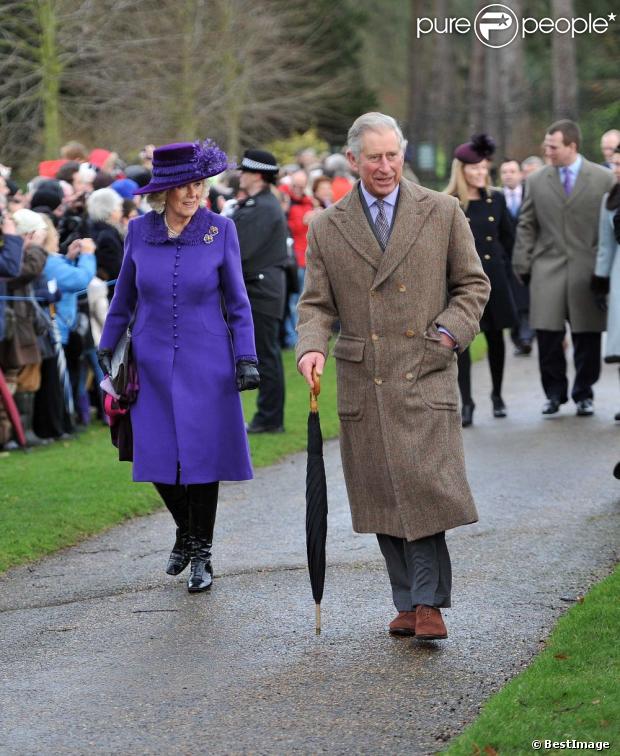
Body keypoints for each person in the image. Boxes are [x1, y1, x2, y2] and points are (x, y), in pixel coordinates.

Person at [296, 112, 490, 640]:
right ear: (353, 160)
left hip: (424, 370)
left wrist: (448, 335)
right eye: (374, 157)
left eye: (393, 155)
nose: (386, 167)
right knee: (382, 493)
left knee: (423, 488)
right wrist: (310, 348)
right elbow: (315, 305)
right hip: (366, 379)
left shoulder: (442, 210)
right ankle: (406, 600)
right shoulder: (327, 226)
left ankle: (427, 604)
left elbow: (473, 287)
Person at [98, 140, 259, 594]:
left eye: (199, 185)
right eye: (185, 186)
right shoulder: (138, 231)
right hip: (148, 362)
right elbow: (123, 298)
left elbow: (238, 303)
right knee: (156, 455)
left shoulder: (220, 230)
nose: (194, 193)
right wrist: (107, 346)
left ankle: (201, 553)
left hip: (208, 363)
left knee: (203, 457)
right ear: (163, 192)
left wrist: (246, 357)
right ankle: (185, 532)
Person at [513, 119, 615, 416]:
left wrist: (606, 269)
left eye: (553, 146)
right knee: (548, 336)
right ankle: (554, 394)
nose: (547, 151)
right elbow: (527, 223)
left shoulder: (602, 179)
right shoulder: (535, 180)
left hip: (588, 269)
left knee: (587, 336)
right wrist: (523, 262)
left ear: (572, 146)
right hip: (547, 268)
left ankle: (584, 393)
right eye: (546, 145)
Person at [445, 136, 517, 426]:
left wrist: (512, 276)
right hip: (462, 284)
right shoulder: (449, 202)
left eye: (483, 168)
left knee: (496, 339)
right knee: (461, 343)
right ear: (461, 169)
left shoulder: (496, 198)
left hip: (494, 280)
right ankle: (467, 403)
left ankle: (497, 396)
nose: (479, 173)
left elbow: (509, 239)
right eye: (473, 168)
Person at [233, 149, 288, 434]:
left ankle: (269, 418)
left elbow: (239, 250)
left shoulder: (263, 207)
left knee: (265, 355)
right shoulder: (259, 204)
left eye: (243, 171)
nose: (239, 175)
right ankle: (268, 416)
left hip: (261, 289)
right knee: (266, 354)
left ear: (256, 174)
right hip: (262, 287)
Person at [592, 147, 620, 418]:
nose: (616, 170)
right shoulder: (610, 200)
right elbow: (605, 243)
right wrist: (600, 280)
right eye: (614, 164)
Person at [500, 158, 534, 356]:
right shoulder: (495, 198)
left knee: (526, 297)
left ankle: (526, 336)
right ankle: (519, 337)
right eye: (505, 172)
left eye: (513, 171)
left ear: (521, 174)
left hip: (527, 255)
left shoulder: (529, 195)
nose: (509, 175)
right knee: (512, 298)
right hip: (505, 257)